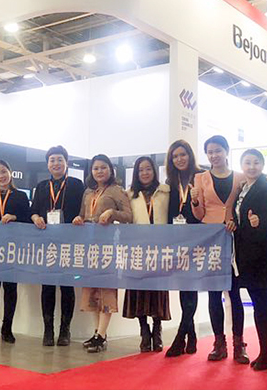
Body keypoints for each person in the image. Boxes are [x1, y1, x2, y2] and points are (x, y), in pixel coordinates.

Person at [190, 135, 247, 363]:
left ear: (226, 151)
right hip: (211, 240)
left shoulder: (241, 177)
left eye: (218, 150)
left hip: (234, 239)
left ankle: (239, 344)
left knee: (235, 293)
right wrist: (195, 201)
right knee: (214, 293)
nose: (214, 155)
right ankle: (218, 343)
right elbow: (199, 215)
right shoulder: (200, 178)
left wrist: (236, 221)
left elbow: (243, 207)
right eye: (210, 152)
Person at [74, 154, 132, 353]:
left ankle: (102, 334)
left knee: (106, 291)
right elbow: (83, 215)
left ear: (110, 169)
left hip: (108, 248)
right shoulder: (88, 192)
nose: (99, 171)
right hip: (90, 248)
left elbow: (128, 216)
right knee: (91, 291)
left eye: (103, 167)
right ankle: (98, 333)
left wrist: (112, 213)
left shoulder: (117, 191)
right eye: (96, 168)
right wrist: (78, 219)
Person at [229, 149, 267, 371]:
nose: (251, 167)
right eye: (247, 162)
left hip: (263, 254)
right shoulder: (242, 189)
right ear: (241, 165)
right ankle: (266, 352)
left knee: (264, 303)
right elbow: (241, 218)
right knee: (259, 303)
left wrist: (259, 222)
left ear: (262, 165)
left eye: (256, 162)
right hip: (246, 254)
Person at [30, 145, 85, 347]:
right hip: (47, 243)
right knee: (48, 287)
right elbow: (33, 210)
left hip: (70, 243)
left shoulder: (77, 185)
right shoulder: (42, 186)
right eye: (52, 160)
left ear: (66, 163)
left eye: (60, 159)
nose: (56, 163)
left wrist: (80, 217)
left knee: (67, 287)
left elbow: (84, 210)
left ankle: (64, 330)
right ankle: (48, 330)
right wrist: (35, 218)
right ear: (47, 164)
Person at [122, 156, 171, 352]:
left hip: (160, 249)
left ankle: (157, 330)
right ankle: (144, 331)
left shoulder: (166, 191)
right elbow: (125, 220)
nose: (145, 173)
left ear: (154, 170)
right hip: (137, 250)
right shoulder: (129, 194)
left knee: (158, 292)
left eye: (148, 169)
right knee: (139, 292)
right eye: (141, 170)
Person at [0, 159, 31, 344]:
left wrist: (15, 216)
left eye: (4, 171)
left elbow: (28, 219)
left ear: (10, 172)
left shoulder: (21, 196)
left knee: (10, 289)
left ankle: (7, 328)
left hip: (13, 249)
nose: (1, 176)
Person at [164, 139, 203, 357]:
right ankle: (192, 333)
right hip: (177, 242)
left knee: (191, 286)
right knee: (184, 288)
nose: (179, 159)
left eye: (183, 155)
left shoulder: (201, 177)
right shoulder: (170, 182)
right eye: (175, 156)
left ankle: (181, 336)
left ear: (190, 155)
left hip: (198, 240)